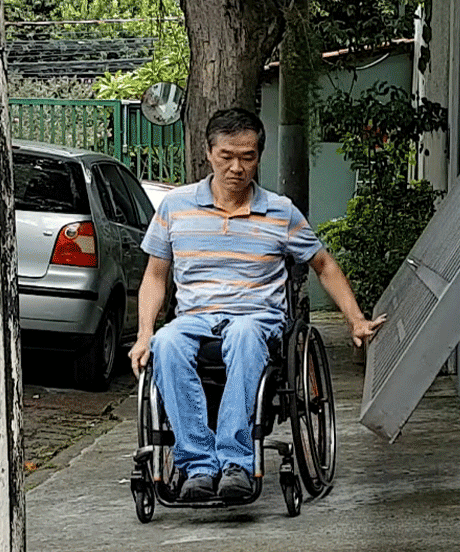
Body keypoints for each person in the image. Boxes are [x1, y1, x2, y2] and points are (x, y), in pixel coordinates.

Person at [128, 108, 385, 501]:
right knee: (166, 343)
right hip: (195, 317)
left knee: (247, 336)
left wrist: (355, 319)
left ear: (258, 157)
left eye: (247, 157)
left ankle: (236, 462)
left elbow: (323, 263)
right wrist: (145, 333)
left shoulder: (280, 211)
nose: (236, 167)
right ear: (209, 152)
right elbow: (155, 275)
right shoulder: (175, 206)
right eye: (226, 155)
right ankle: (197, 464)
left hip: (256, 317)